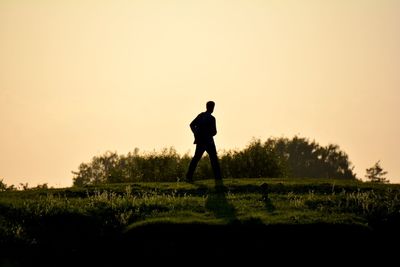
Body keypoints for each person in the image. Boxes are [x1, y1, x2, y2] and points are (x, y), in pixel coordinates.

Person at [186, 101, 222, 182]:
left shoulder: (201, 116)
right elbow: (214, 132)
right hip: (209, 142)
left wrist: (196, 133)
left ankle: (189, 176)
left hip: (200, 141)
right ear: (212, 108)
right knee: (214, 159)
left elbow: (191, 125)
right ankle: (218, 178)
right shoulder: (212, 119)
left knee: (196, 159)